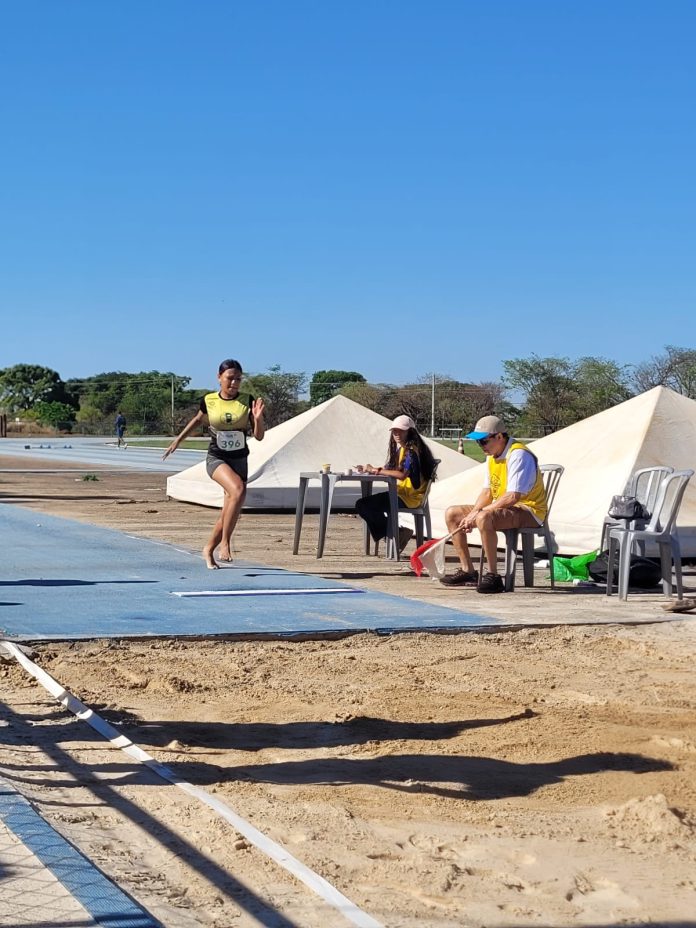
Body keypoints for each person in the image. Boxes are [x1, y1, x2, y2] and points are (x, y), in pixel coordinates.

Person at [162, 359, 265, 569]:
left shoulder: (248, 400)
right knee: (237, 489)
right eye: (230, 378)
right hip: (216, 457)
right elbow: (198, 420)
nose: (234, 382)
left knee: (230, 508)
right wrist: (178, 440)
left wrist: (258, 418)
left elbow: (259, 436)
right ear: (219, 378)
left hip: (239, 459)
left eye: (238, 379)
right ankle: (225, 544)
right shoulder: (209, 400)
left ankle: (208, 550)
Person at [440, 414, 547, 594]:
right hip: (505, 507)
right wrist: (472, 512)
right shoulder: (492, 455)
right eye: (478, 442)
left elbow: (513, 496)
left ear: (499, 437)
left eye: (483, 442)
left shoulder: (518, 454)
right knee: (453, 513)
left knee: (484, 517)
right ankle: (468, 570)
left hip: (529, 509)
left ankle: (494, 576)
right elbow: (487, 492)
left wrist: (479, 513)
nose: (481, 446)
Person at [355, 415, 437, 554]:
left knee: (363, 505)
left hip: (410, 498)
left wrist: (376, 471)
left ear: (410, 432)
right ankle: (397, 533)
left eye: (401, 431)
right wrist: (372, 468)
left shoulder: (412, 450)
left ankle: (396, 533)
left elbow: (402, 474)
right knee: (364, 505)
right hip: (401, 494)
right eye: (394, 431)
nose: (397, 434)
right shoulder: (403, 450)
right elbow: (390, 469)